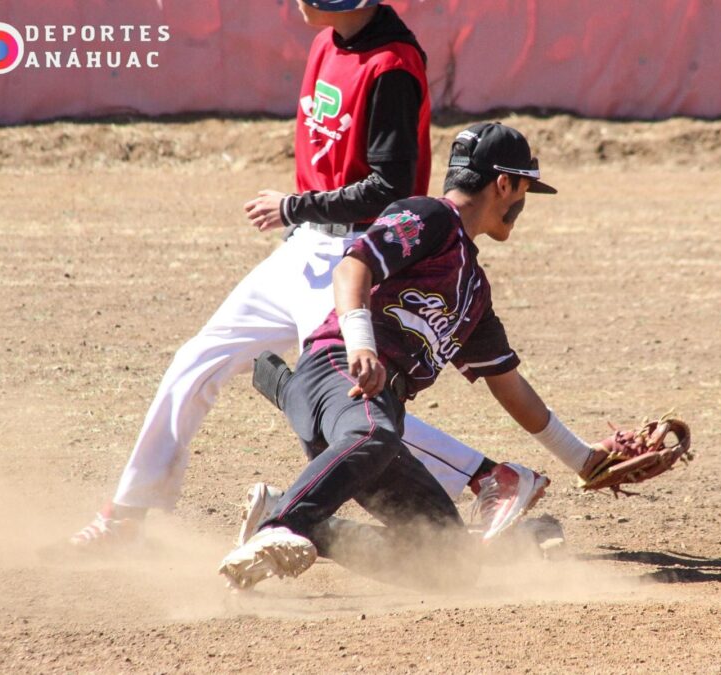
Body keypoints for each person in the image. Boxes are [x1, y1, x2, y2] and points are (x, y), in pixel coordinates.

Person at [69, 0, 548, 551]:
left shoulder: (390, 65)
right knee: (199, 360)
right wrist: (298, 221)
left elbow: (391, 188)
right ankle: (128, 512)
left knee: (348, 392)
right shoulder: (326, 43)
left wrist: (296, 206)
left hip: (354, 250)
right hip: (305, 244)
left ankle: (482, 475)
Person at [218, 122, 608, 592]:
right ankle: (279, 528)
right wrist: (362, 342)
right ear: (505, 184)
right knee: (376, 431)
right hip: (340, 369)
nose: (523, 206)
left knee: (448, 562)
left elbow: (510, 387)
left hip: (367, 414)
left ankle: (299, 522)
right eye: (526, 189)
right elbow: (353, 267)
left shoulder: (473, 289)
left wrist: (584, 459)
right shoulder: (430, 217)